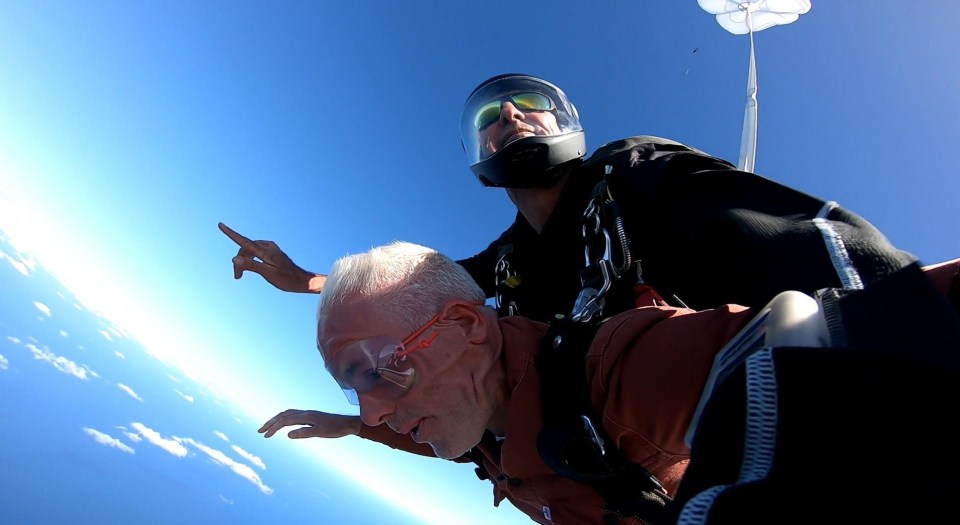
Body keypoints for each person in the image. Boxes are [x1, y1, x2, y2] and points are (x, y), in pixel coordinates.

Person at [259, 240, 960, 525]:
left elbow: (821, 350)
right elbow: (458, 445)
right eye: (355, 388)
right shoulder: (484, 415)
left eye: (382, 368)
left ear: (469, 328)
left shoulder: (613, 367)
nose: (378, 406)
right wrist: (350, 424)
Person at [221, 73, 917, 322]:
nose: (510, 118)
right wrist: (303, 279)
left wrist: (893, 316)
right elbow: (420, 288)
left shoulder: (634, 174)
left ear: (567, 124)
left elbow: (799, 244)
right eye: (490, 119)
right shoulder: (510, 259)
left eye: (529, 105)